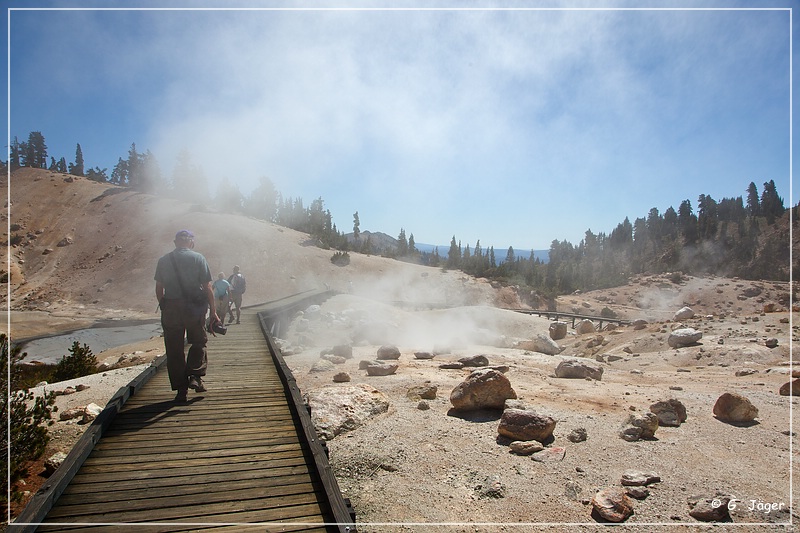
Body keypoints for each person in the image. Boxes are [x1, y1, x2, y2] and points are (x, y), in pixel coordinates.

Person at [155, 230, 221, 402]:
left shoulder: (163, 260)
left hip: (171, 308)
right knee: (198, 341)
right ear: (191, 242)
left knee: (174, 349)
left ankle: (181, 390)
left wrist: (165, 306)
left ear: (175, 242)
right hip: (194, 308)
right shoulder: (198, 258)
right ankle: (195, 375)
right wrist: (213, 312)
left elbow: (159, 289)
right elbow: (207, 287)